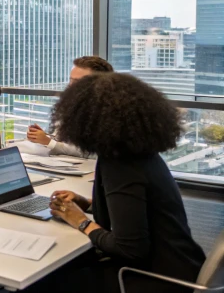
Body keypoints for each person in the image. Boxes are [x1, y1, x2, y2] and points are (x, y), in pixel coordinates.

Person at [24, 73, 206, 293]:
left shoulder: (120, 166)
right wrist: (87, 203)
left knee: (40, 282)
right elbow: (137, 209)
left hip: (154, 279)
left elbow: (130, 249)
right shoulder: (141, 155)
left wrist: (80, 221)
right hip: (181, 265)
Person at [26, 56, 114, 157]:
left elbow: (90, 152)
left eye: (77, 82)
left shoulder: (109, 113)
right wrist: (44, 138)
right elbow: (65, 142)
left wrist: (49, 142)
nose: (70, 86)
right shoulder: (70, 107)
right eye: (70, 80)